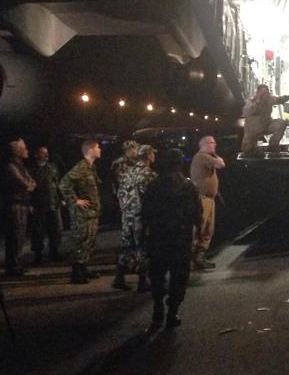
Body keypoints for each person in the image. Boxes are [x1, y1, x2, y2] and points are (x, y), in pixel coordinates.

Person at [142, 148, 200, 330]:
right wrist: (196, 235)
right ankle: (172, 312)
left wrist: (145, 235)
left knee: (157, 275)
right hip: (180, 239)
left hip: (158, 237)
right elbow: (197, 214)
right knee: (179, 277)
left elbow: (145, 213)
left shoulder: (153, 185)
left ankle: (158, 307)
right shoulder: (189, 186)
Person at [113, 144, 156, 292]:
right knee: (142, 248)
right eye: (152, 153)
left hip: (127, 216)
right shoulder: (148, 174)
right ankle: (143, 281)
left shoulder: (127, 172)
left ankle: (119, 277)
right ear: (148, 155)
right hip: (140, 216)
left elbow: (119, 193)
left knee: (126, 247)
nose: (154, 156)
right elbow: (152, 197)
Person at [60, 140, 103, 285]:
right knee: (81, 241)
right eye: (97, 147)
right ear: (90, 150)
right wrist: (75, 200)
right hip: (82, 214)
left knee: (89, 242)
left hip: (91, 212)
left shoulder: (90, 167)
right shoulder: (81, 167)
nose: (100, 149)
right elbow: (64, 183)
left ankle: (84, 269)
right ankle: (77, 273)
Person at [189, 136, 225, 270]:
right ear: (205, 144)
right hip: (202, 199)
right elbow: (221, 164)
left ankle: (199, 257)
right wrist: (218, 157)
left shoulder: (206, 157)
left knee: (207, 229)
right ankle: (192, 258)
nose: (215, 145)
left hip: (209, 198)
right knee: (201, 228)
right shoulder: (202, 156)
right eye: (212, 143)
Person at [5, 138, 35, 277]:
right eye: (24, 148)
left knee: (20, 235)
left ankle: (16, 264)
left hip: (22, 203)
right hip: (16, 204)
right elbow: (25, 183)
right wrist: (29, 185)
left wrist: (29, 185)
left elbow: (32, 183)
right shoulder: (12, 166)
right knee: (15, 236)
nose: (27, 150)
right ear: (18, 151)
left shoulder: (20, 165)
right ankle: (13, 266)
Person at [29, 146, 63, 264]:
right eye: (43, 153)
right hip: (39, 204)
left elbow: (57, 183)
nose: (46, 155)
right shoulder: (32, 170)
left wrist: (61, 198)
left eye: (47, 153)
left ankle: (54, 251)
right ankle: (38, 254)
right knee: (38, 230)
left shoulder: (53, 167)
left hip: (53, 203)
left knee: (56, 229)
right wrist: (30, 204)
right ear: (37, 155)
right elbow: (29, 189)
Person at [241, 84, 289, 156]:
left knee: (281, 123)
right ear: (258, 93)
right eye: (262, 93)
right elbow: (246, 112)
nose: (265, 95)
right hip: (253, 130)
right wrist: (257, 101)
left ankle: (273, 145)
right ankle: (252, 148)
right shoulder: (251, 102)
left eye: (266, 93)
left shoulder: (270, 99)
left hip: (267, 125)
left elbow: (279, 99)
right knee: (248, 149)